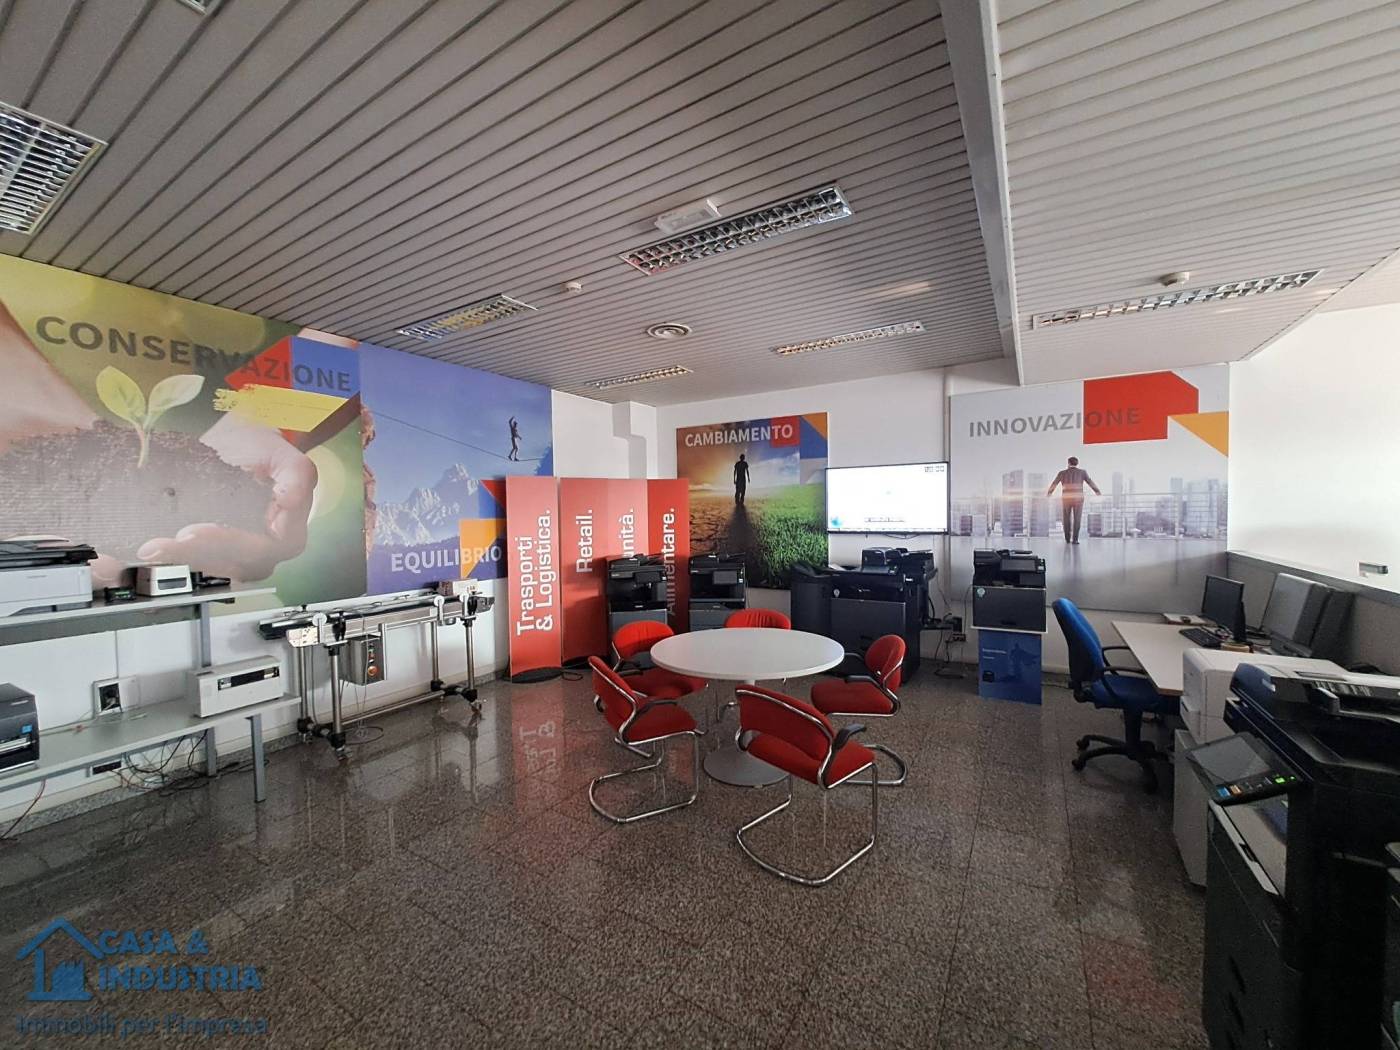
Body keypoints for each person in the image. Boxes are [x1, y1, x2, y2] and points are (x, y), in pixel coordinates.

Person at [1046, 455, 1101, 544]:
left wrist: (1049, 493)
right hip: (1078, 499)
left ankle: (1067, 539)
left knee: (1066, 519)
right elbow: (1090, 482)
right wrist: (1097, 491)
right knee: (1077, 519)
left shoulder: (1062, 473)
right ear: (1077, 463)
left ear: (1068, 463)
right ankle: (1075, 540)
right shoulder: (1082, 472)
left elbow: (1054, 483)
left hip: (1066, 499)